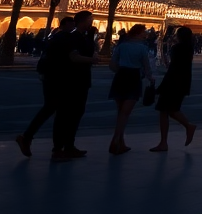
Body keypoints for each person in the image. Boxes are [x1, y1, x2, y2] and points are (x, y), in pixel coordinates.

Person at [16, 16, 74, 157]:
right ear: (65, 24)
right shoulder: (62, 38)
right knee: (54, 109)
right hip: (56, 78)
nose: (73, 27)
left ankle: (30, 138)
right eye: (71, 24)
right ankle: (55, 146)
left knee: (51, 109)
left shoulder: (55, 37)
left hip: (50, 77)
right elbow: (67, 57)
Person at [48, 10, 99, 161]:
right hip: (71, 80)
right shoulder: (73, 37)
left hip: (82, 80)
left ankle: (69, 145)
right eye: (90, 19)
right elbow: (74, 57)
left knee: (76, 113)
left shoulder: (85, 37)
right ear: (83, 21)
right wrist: (92, 60)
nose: (92, 22)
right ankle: (58, 148)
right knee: (65, 114)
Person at [107, 22, 154, 154]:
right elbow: (146, 65)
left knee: (120, 111)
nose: (146, 34)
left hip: (121, 76)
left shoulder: (122, 46)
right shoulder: (142, 48)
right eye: (144, 32)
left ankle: (121, 141)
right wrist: (149, 77)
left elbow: (112, 64)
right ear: (138, 34)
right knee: (125, 112)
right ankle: (115, 140)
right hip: (133, 77)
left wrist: (119, 70)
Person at [151, 26, 197, 151]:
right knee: (170, 109)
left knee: (164, 110)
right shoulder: (189, 48)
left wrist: (161, 86)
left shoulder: (177, 48)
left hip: (173, 82)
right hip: (183, 81)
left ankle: (167, 139)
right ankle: (186, 127)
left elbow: (173, 68)